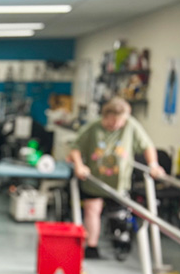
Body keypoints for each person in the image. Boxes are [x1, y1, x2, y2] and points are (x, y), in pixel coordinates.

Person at [70, 97, 165, 259]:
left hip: (119, 183)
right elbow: (75, 148)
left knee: (119, 215)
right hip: (95, 181)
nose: (116, 125)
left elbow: (147, 145)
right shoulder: (93, 127)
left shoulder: (130, 125)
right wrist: (79, 165)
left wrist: (154, 165)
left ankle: (121, 243)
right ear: (104, 116)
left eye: (119, 122)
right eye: (112, 121)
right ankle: (91, 247)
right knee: (92, 211)